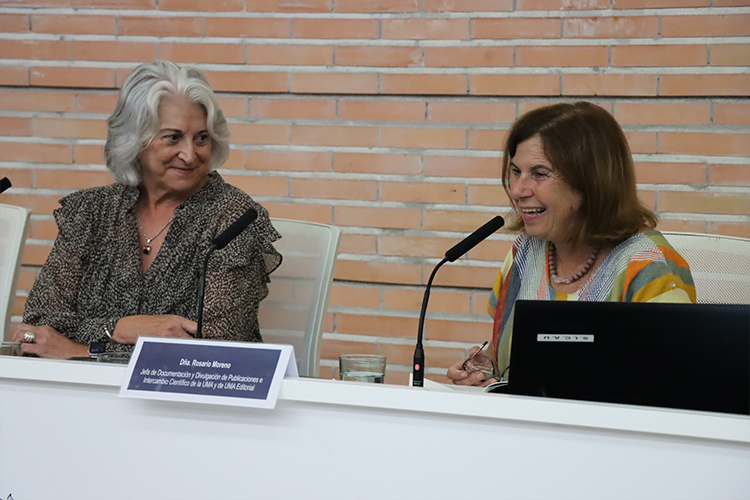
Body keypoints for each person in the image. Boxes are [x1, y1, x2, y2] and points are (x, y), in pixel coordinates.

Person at [12, 61, 282, 359]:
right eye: (173, 137)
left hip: (186, 401)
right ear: (135, 139)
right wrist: (120, 328)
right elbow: (38, 327)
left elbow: (216, 350)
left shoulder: (233, 217)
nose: (190, 154)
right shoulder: (91, 212)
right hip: (81, 395)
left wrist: (81, 349)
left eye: (201, 138)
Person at [447, 102, 696, 386]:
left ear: (590, 181)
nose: (517, 190)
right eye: (516, 171)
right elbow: (505, 354)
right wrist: (482, 368)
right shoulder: (524, 253)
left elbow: (672, 385)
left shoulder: (649, 265)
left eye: (539, 174)